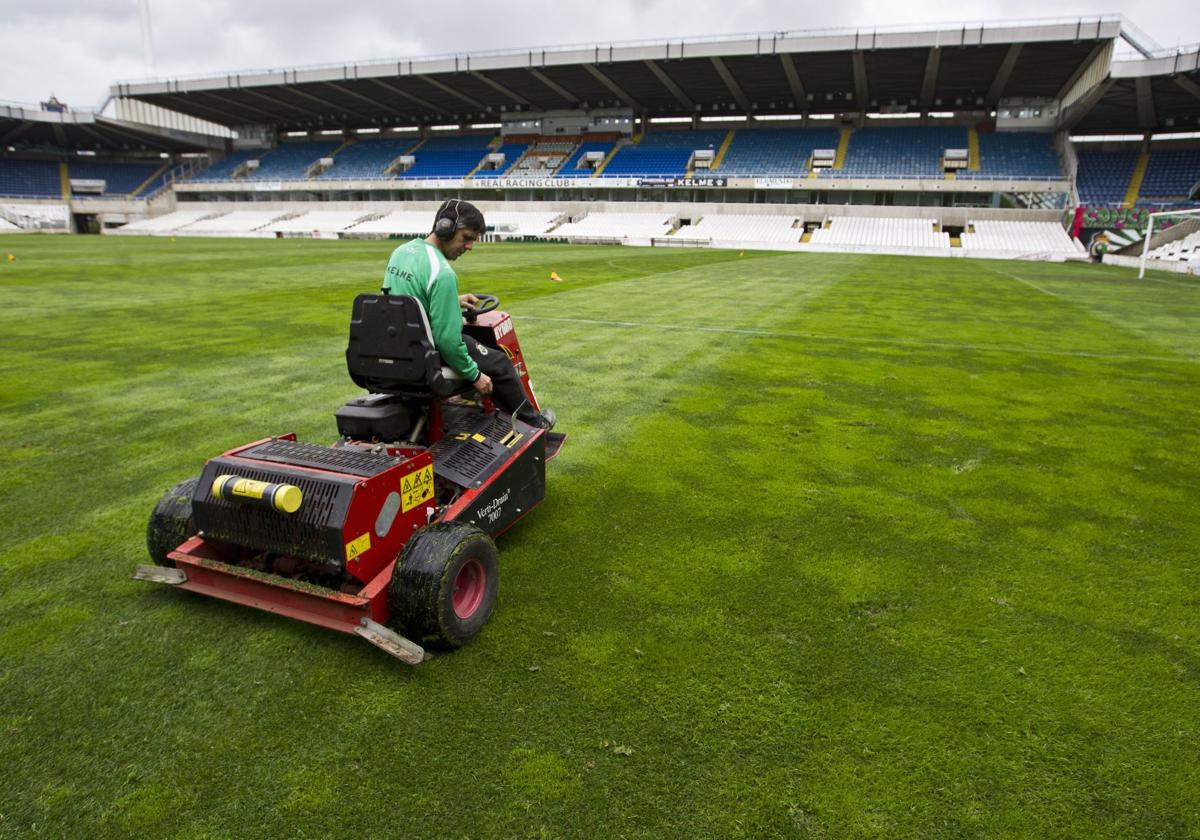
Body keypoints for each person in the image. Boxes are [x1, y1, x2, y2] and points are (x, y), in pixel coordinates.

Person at [381, 199, 555, 430]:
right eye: (466, 237)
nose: (470, 246)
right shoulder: (442, 273)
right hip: (426, 351)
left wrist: (452, 301)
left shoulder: (401, 252)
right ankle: (535, 424)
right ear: (445, 228)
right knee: (500, 362)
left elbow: (408, 302)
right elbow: (448, 341)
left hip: (397, 344)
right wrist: (475, 376)